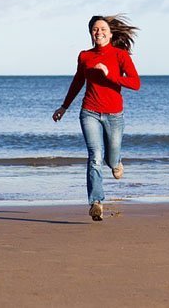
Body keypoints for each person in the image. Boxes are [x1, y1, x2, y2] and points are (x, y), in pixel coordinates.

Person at [52, 14, 140, 221]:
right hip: (89, 112)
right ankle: (96, 202)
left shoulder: (120, 55)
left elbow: (136, 83)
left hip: (114, 115)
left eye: (102, 29)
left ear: (110, 33)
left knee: (110, 159)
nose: (98, 32)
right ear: (91, 34)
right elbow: (77, 82)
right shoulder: (85, 56)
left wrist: (110, 75)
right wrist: (64, 107)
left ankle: (117, 162)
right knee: (95, 156)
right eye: (95, 29)